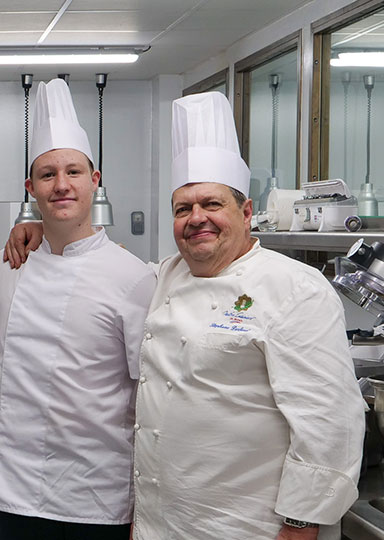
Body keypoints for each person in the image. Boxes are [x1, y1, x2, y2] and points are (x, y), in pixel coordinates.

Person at [130, 91, 366, 540]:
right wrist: (38, 230)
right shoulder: (164, 276)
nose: (196, 218)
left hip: (249, 525)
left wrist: (301, 523)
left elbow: (329, 420)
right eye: (183, 208)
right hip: (164, 521)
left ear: (246, 212)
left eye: (212, 204)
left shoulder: (295, 289)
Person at [0, 78, 156, 539]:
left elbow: (152, 400)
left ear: (94, 181)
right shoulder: (9, 264)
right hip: (13, 494)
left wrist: (147, 507)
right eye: (48, 175)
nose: (61, 185)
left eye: (73, 172)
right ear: (31, 187)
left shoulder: (133, 278)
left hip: (95, 499)